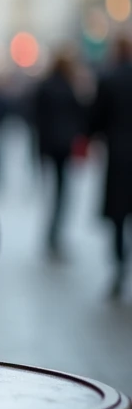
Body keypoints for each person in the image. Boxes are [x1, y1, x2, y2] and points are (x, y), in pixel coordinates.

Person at [32, 48, 86, 257]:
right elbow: (81, 117)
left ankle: (52, 234)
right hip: (64, 146)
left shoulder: (45, 86)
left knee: (55, 191)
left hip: (49, 145)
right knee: (62, 192)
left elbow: (36, 117)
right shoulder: (70, 88)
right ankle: (56, 234)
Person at [90, 35, 132, 299]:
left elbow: (96, 118)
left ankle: (119, 266)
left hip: (118, 155)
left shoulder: (110, 79)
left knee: (119, 216)